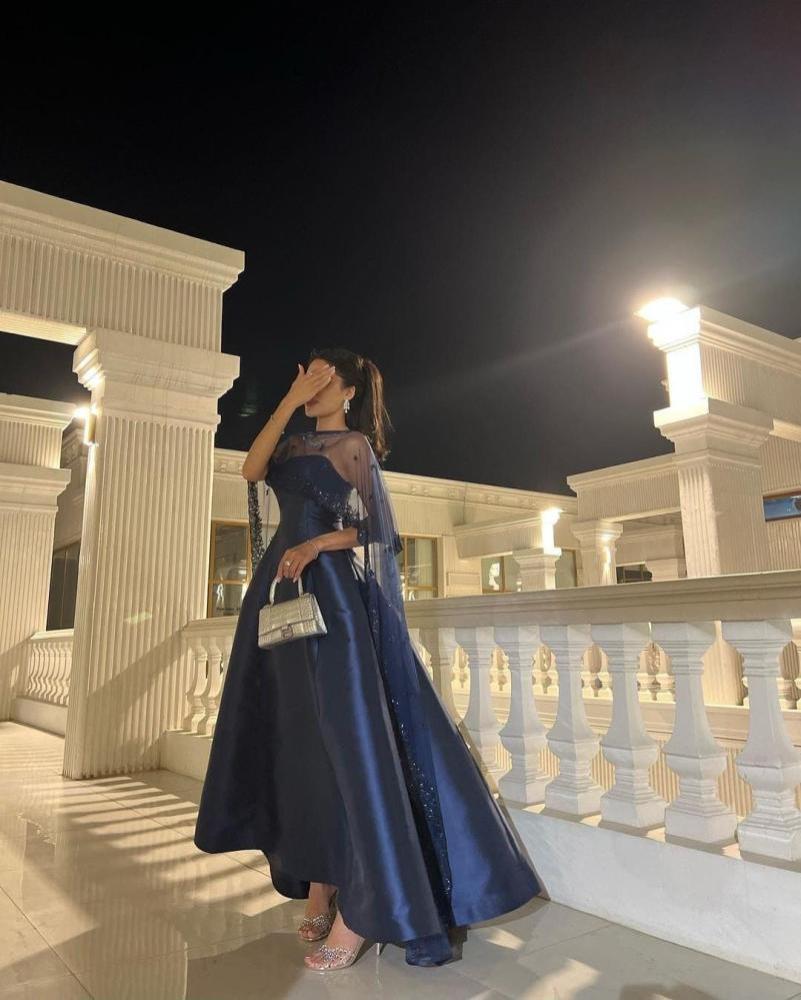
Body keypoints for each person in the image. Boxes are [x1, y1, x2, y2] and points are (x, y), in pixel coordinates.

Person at [193, 347, 542, 972]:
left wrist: (318, 544)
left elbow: (382, 532)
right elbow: (250, 469)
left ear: (349, 390)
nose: (313, 385)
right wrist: (288, 400)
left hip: (332, 597)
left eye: (324, 378)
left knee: (347, 744)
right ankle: (320, 884)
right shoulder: (291, 443)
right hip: (279, 594)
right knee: (299, 743)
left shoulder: (354, 447)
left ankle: (362, 912)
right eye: (307, 375)